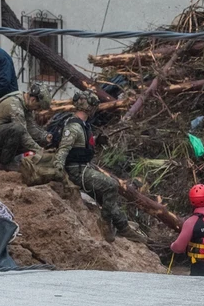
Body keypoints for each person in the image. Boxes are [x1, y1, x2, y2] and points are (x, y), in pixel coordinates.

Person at [53, 90, 146, 243]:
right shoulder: (74, 127)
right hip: (76, 170)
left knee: (106, 197)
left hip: (84, 167)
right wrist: (58, 171)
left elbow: (80, 144)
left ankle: (123, 227)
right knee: (111, 185)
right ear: (89, 107)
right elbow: (63, 150)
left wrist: (96, 140)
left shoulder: (82, 125)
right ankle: (105, 223)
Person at [0, 83, 51, 168]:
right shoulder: (15, 104)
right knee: (18, 130)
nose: (37, 110)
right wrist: (38, 150)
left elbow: (31, 127)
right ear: (33, 100)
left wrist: (44, 137)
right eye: (38, 107)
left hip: (1, 131)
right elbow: (22, 132)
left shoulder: (26, 104)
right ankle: (6, 163)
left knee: (36, 138)